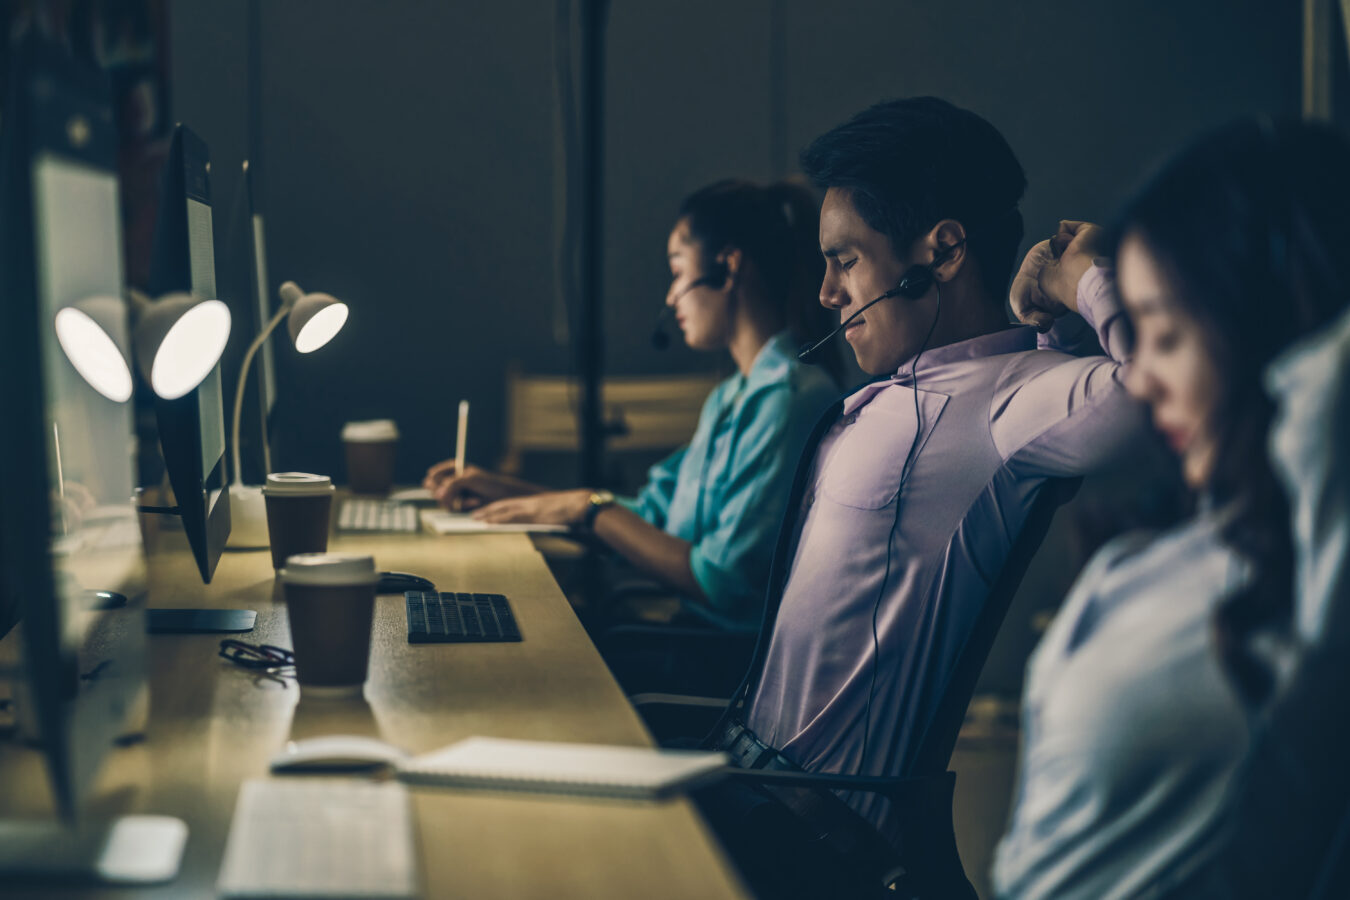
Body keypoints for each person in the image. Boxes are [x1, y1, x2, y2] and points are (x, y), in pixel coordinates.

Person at [693, 97, 1142, 898]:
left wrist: (1084, 281)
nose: (827, 292)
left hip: (813, 845)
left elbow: (1165, 387)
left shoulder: (1016, 401)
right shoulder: (899, 388)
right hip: (738, 788)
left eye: (845, 260)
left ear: (938, 254)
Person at [993, 118, 1350, 900]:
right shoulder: (1179, 550)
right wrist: (1072, 301)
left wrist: (1088, 280)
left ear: (1268, 335)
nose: (1142, 378)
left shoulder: (1321, 583)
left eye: (1167, 334)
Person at [424, 180, 840, 631]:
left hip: (713, 662)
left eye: (678, 271)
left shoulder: (787, 401)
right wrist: (504, 490)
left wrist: (588, 507)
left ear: (727, 268)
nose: (670, 295)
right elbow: (648, 518)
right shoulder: (731, 398)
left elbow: (721, 583)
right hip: (684, 639)